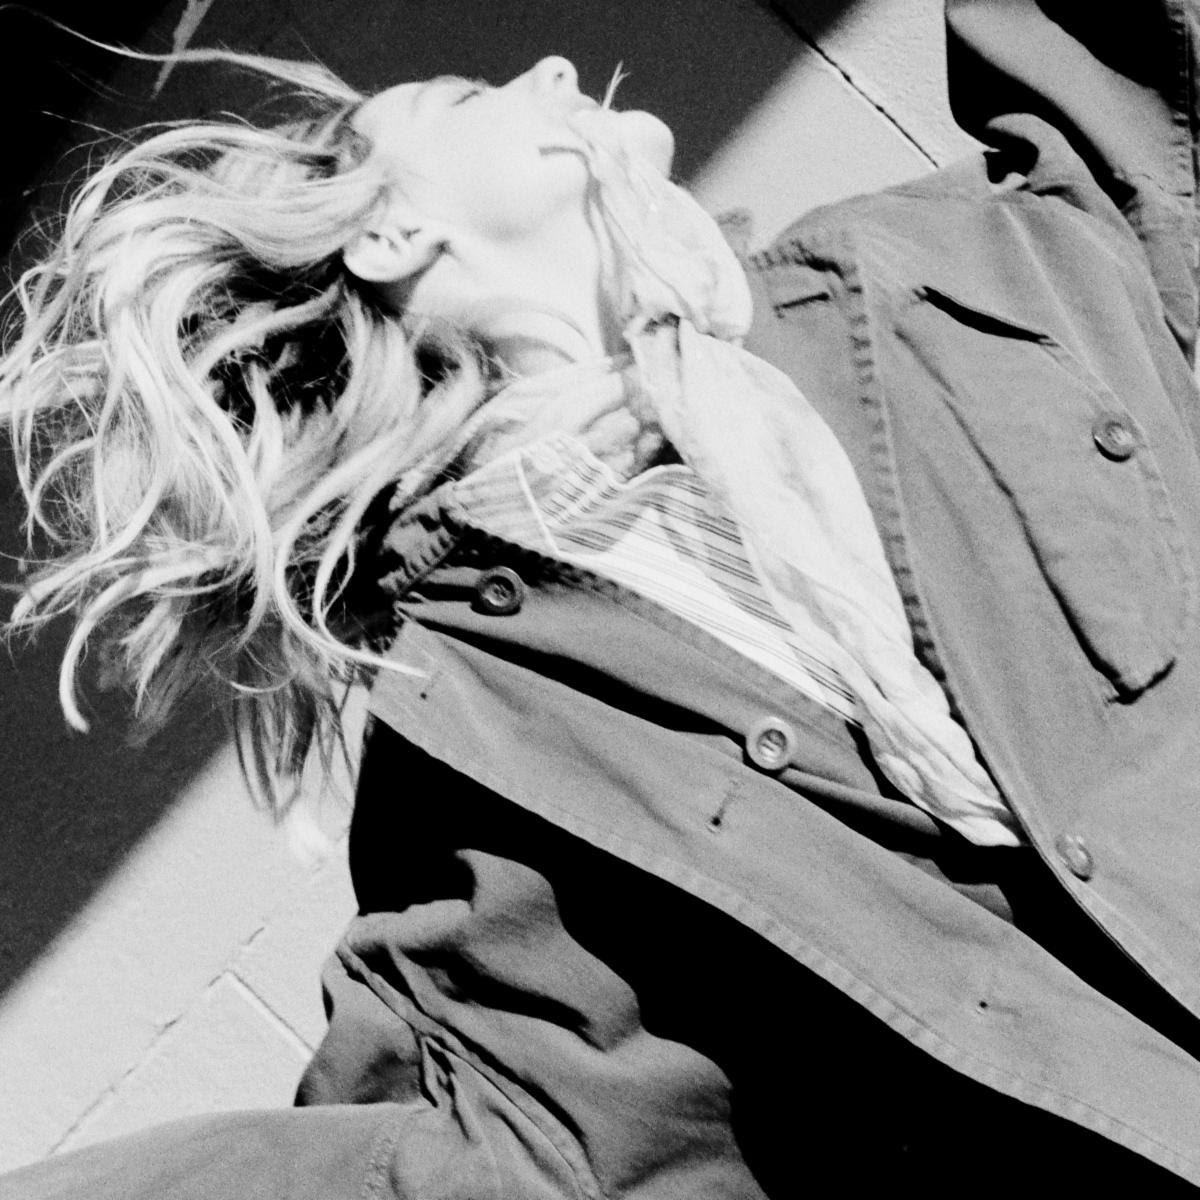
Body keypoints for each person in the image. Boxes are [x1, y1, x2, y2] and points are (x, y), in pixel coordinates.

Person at [5, 1, 1200, 1195]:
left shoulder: (930, 273)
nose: (552, 62)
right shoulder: (481, 770)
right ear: (392, 236)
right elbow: (475, 1169)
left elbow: (1139, 112)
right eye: (468, 99)